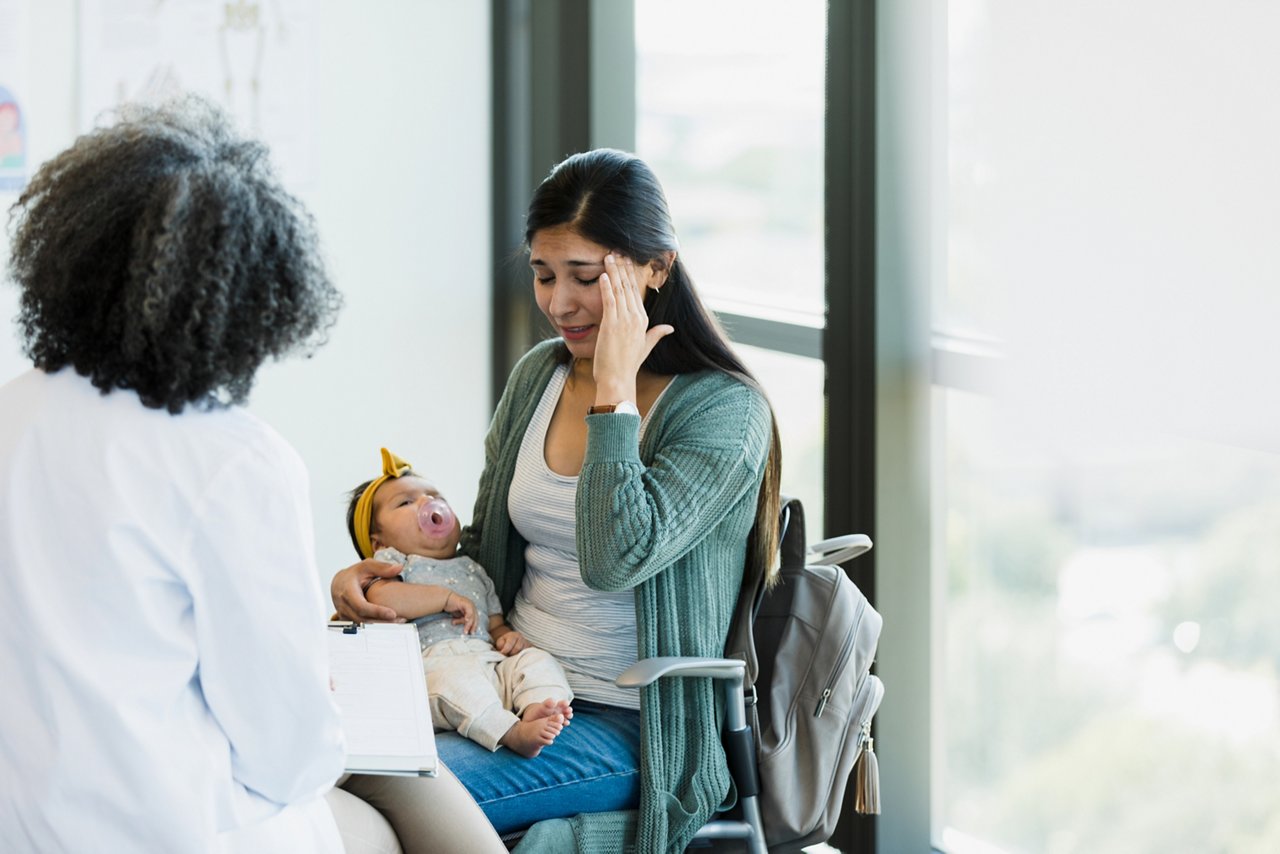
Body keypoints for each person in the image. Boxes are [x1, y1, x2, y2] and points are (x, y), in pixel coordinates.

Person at [0, 96, 506, 854]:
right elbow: (293, 755)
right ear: (253, 301)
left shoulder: (17, 410)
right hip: (169, 826)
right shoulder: (231, 457)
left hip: (27, 817)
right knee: (402, 809)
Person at [333, 148, 783, 854]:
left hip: (629, 723)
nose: (560, 303)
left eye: (586, 277)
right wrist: (384, 574)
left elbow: (616, 558)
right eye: (544, 275)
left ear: (656, 268)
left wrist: (614, 396)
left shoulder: (725, 413)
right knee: (318, 754)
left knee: (370, 786)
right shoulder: (537, 377)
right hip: (499, 678)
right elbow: (483, 558)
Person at [346, 447, 574, 757]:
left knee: (536, 660)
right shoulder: (393, 563)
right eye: (406, 502)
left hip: (488, 662)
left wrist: (506, 636)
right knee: (453, 684)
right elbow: (383, 599)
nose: (427, 503)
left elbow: (494, 622)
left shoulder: (471, 567)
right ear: (378, 541)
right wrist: (444, 598)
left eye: (434, 496)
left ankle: (539, 706)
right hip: (433, 669)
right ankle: (510, 731)